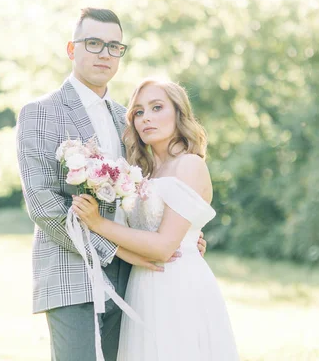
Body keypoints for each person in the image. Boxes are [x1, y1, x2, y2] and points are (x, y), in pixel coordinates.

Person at [16, 8, 207, 360]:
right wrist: (117, 250)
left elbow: (148, 186)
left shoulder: (128, 117)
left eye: (114, 46)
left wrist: (180, 232)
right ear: (72, 50)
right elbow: (43, 206)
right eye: (94, 43)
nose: (104, 53)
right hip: (71, 275)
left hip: (135, 280)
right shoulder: (40, 112)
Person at [72, 79, 240, 360]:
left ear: (179, 113)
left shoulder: (190, 164)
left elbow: (163, 247)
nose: (146, 117)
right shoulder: (143, 174)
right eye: (138, 112)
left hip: (176, 284)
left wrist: (98, 223)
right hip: (142, 284)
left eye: (157, 107)